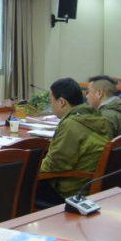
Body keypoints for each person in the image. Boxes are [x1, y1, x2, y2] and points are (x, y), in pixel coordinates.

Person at [36, 77, 108, 207]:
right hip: (88, 184)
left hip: (71, 192)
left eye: (52, 101)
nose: (51, 106)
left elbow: (56, 164)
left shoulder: (71, 124)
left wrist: (27, 170)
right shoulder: (94, 116)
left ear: (61, 102)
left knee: (17, 184)